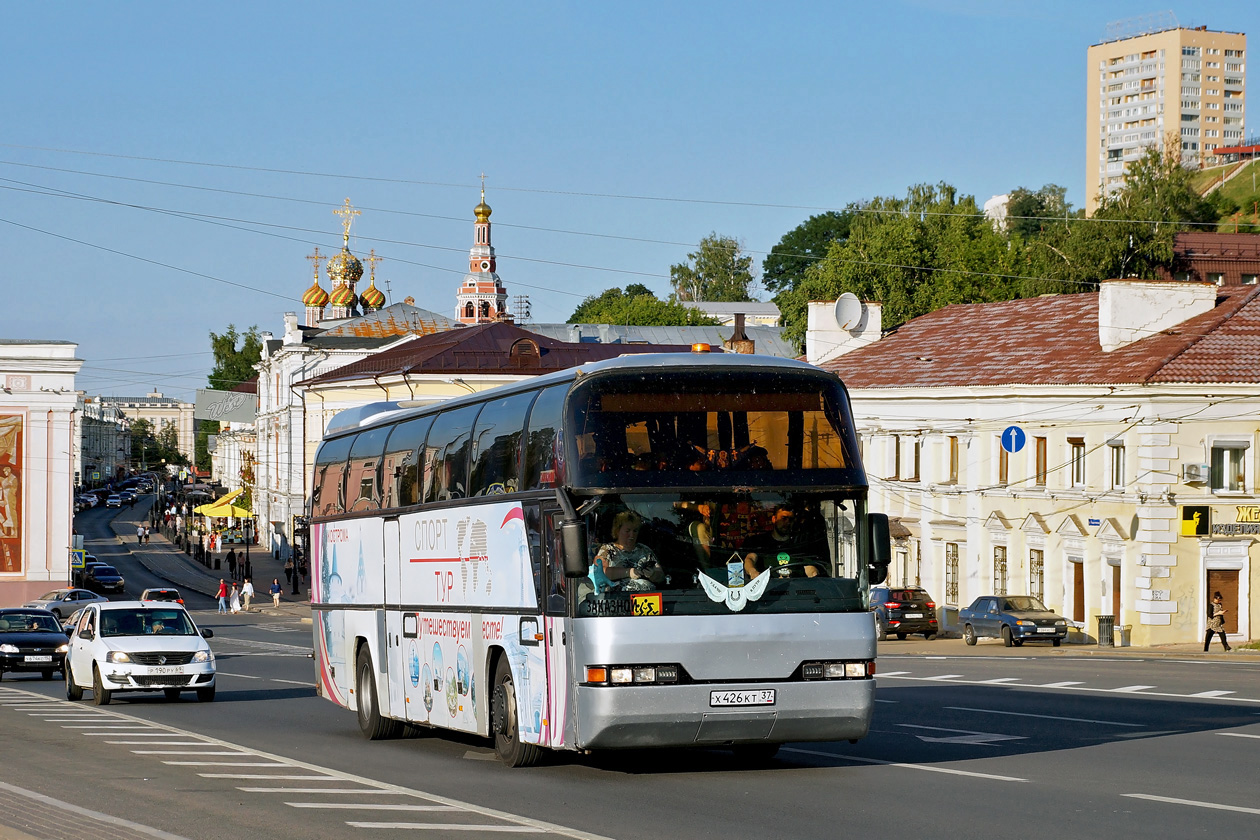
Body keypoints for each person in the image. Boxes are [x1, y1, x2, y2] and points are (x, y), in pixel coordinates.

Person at [743, 506, 829, 580]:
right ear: (774, 519)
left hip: (796, 592)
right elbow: (749, 558)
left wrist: (814, 574)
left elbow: (808, 566)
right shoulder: (759, 541)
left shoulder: (800, 543)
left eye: (790, 520)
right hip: (767, 592)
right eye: (784, 518)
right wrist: (753, 572)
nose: (787, 522)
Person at [593, 511, 665, 593]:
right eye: (627, 531)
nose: (632, 535)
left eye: (635, 531)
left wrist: (652, 575)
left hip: (647, 600)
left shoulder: (645, 550)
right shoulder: (607, 550)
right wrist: (628, 572)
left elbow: (661, 577)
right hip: (618, 602)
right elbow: (598, 573)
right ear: (617, 531)